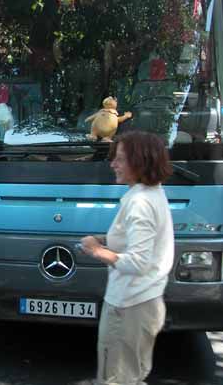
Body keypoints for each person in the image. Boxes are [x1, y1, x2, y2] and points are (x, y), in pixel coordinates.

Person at [81, 131, 174, 385]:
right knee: (133, 375)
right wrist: (108, 239)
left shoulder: (140, 202)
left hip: (128, 306)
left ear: (141, 162)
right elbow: (143, 241)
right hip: (145, 302)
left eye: (120, 159)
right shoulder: (153, 192)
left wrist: (96, 249)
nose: (113, 165)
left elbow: (138, 262)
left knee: (116, 379)